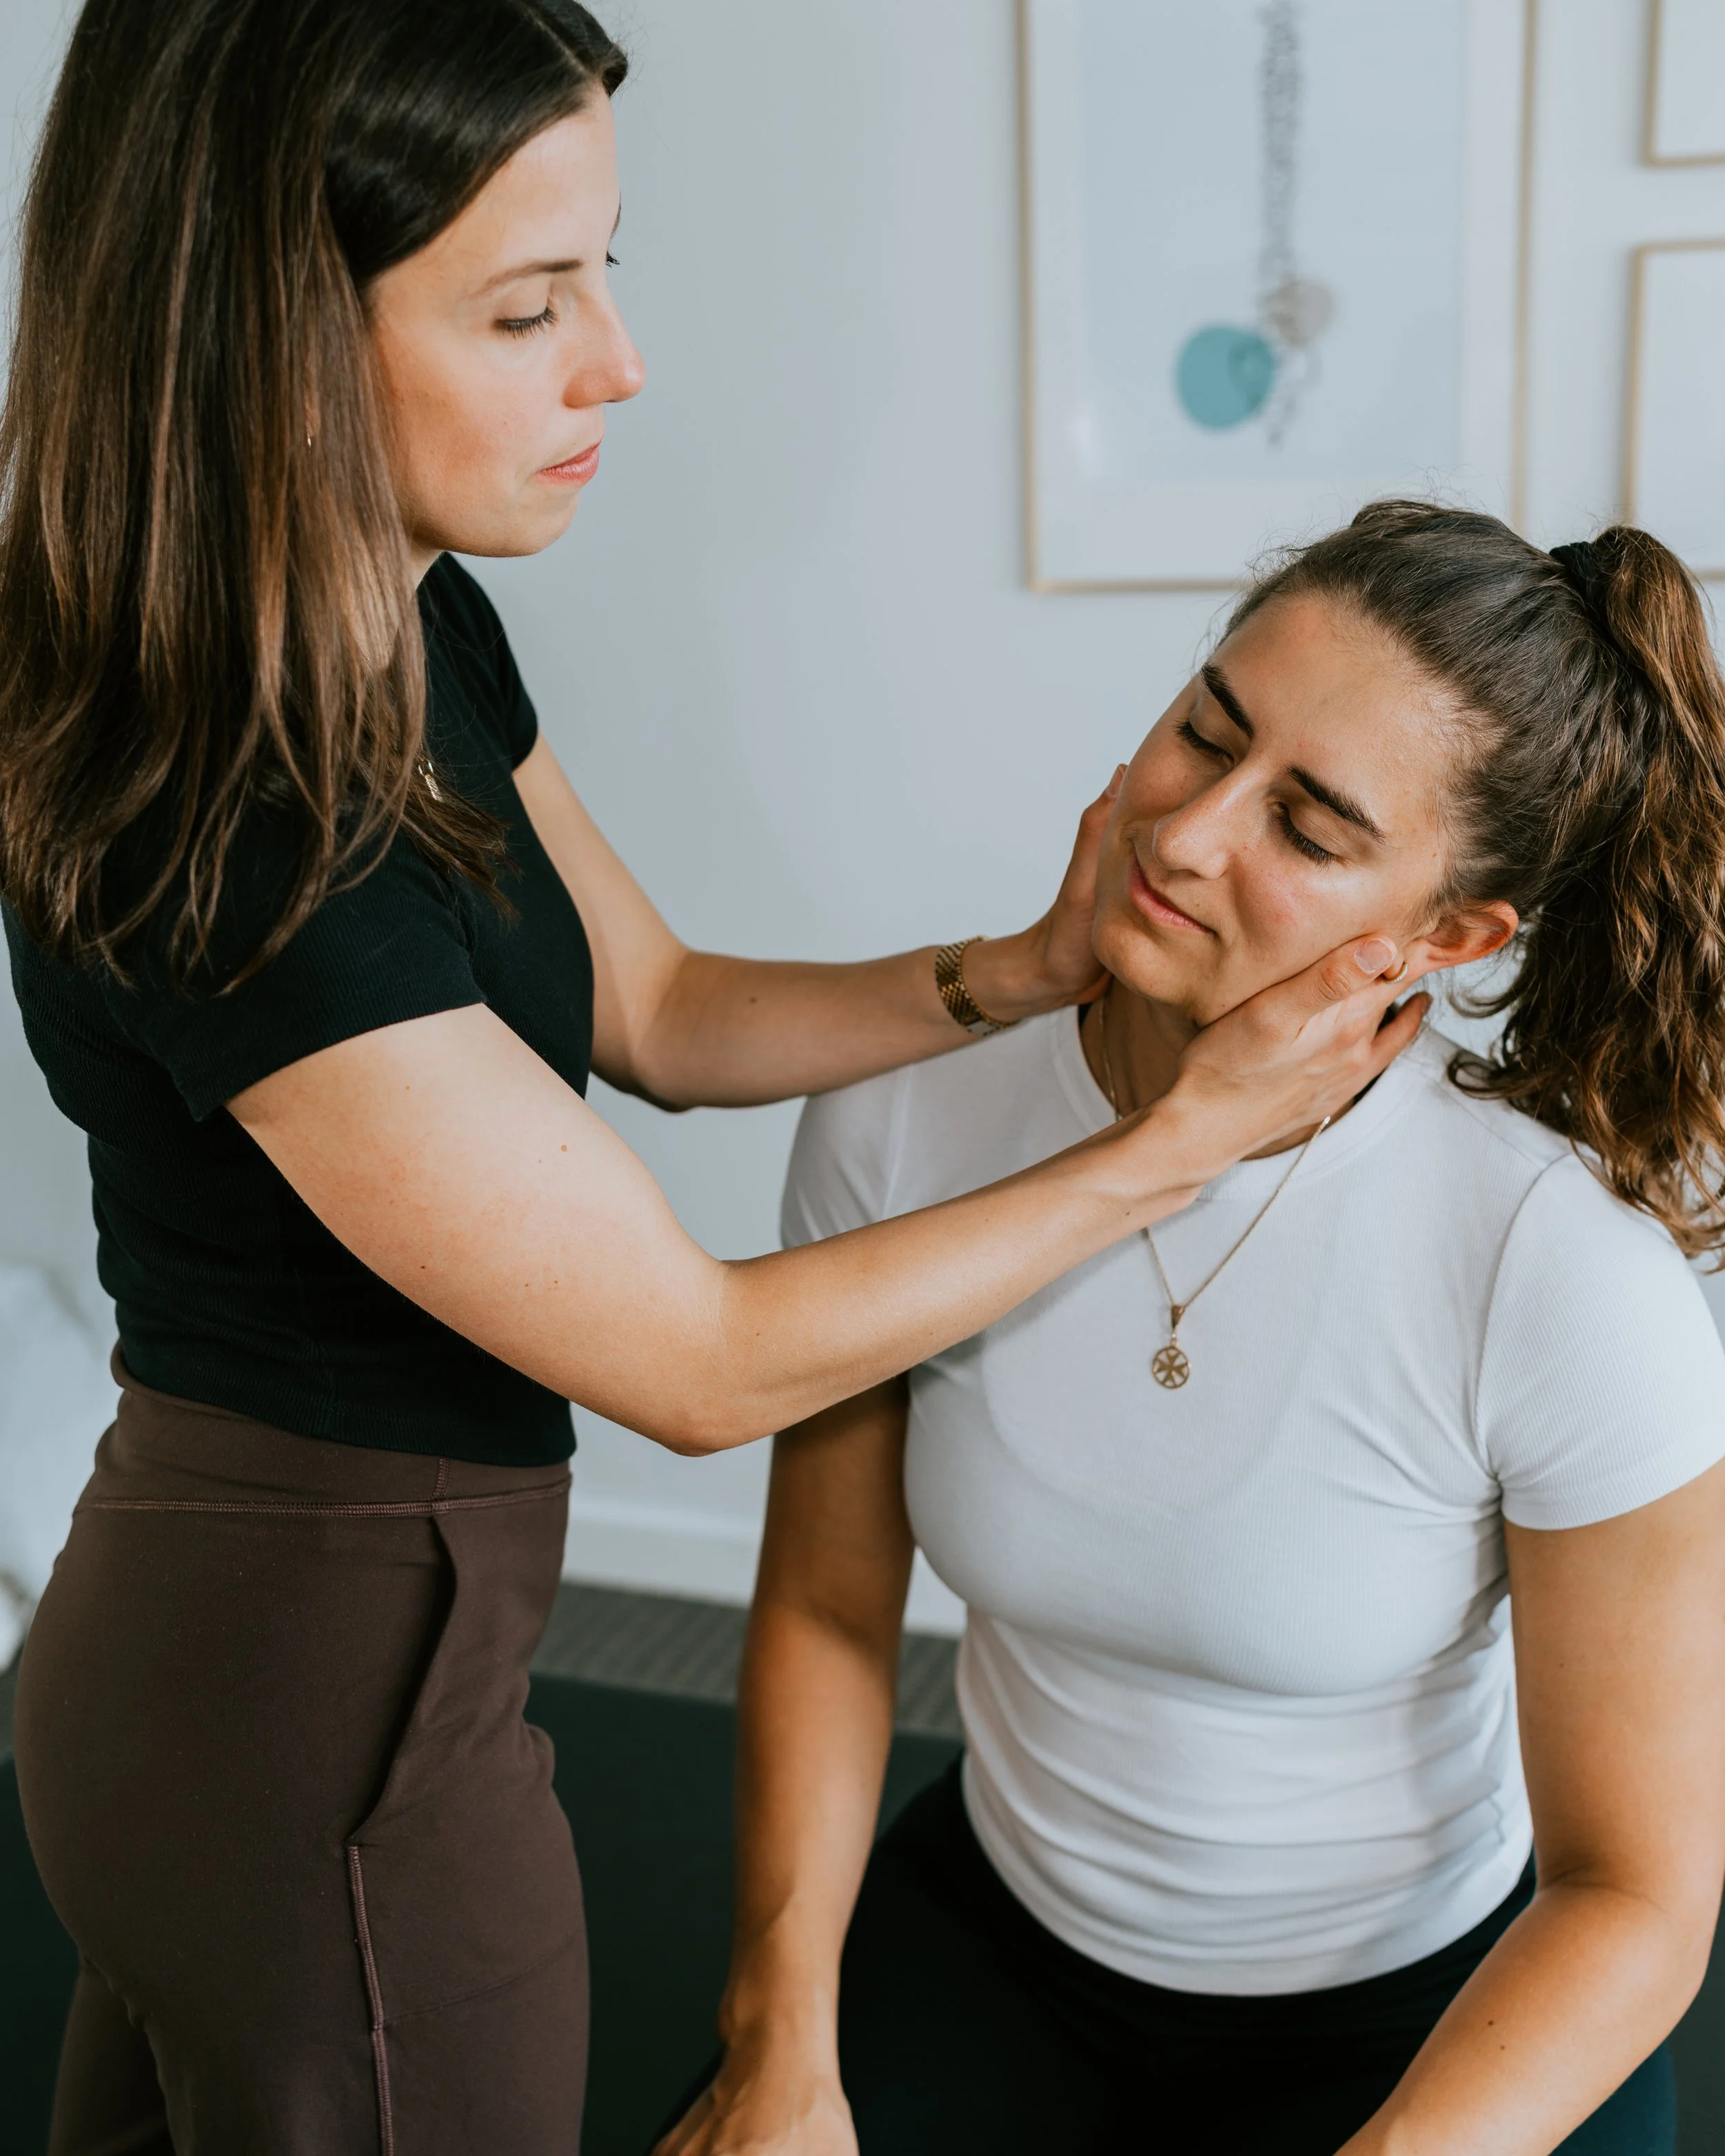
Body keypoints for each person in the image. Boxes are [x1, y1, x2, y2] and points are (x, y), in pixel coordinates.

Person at [0, 2, 1425, 2148]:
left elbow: (649, 1008)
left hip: (219, 1648)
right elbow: (699, 1361)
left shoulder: (395, 616)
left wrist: (1017, 971)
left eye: (606, 265)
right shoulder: (237, 807)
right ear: (269, 334)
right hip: (314, 1700)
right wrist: (1177, 1144)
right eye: (525, 302)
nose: (617, 361)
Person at [662, 506, 1725, 2156]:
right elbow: (821, 1605)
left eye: (1305, 827)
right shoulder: (905, 1116)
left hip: (1427, 2021)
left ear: (1446, 935)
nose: (1184, 831)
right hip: (998, 1939)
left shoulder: (1555, 1271)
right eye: (1201, 731)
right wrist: (777, 2035)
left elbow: (1636, 1887)